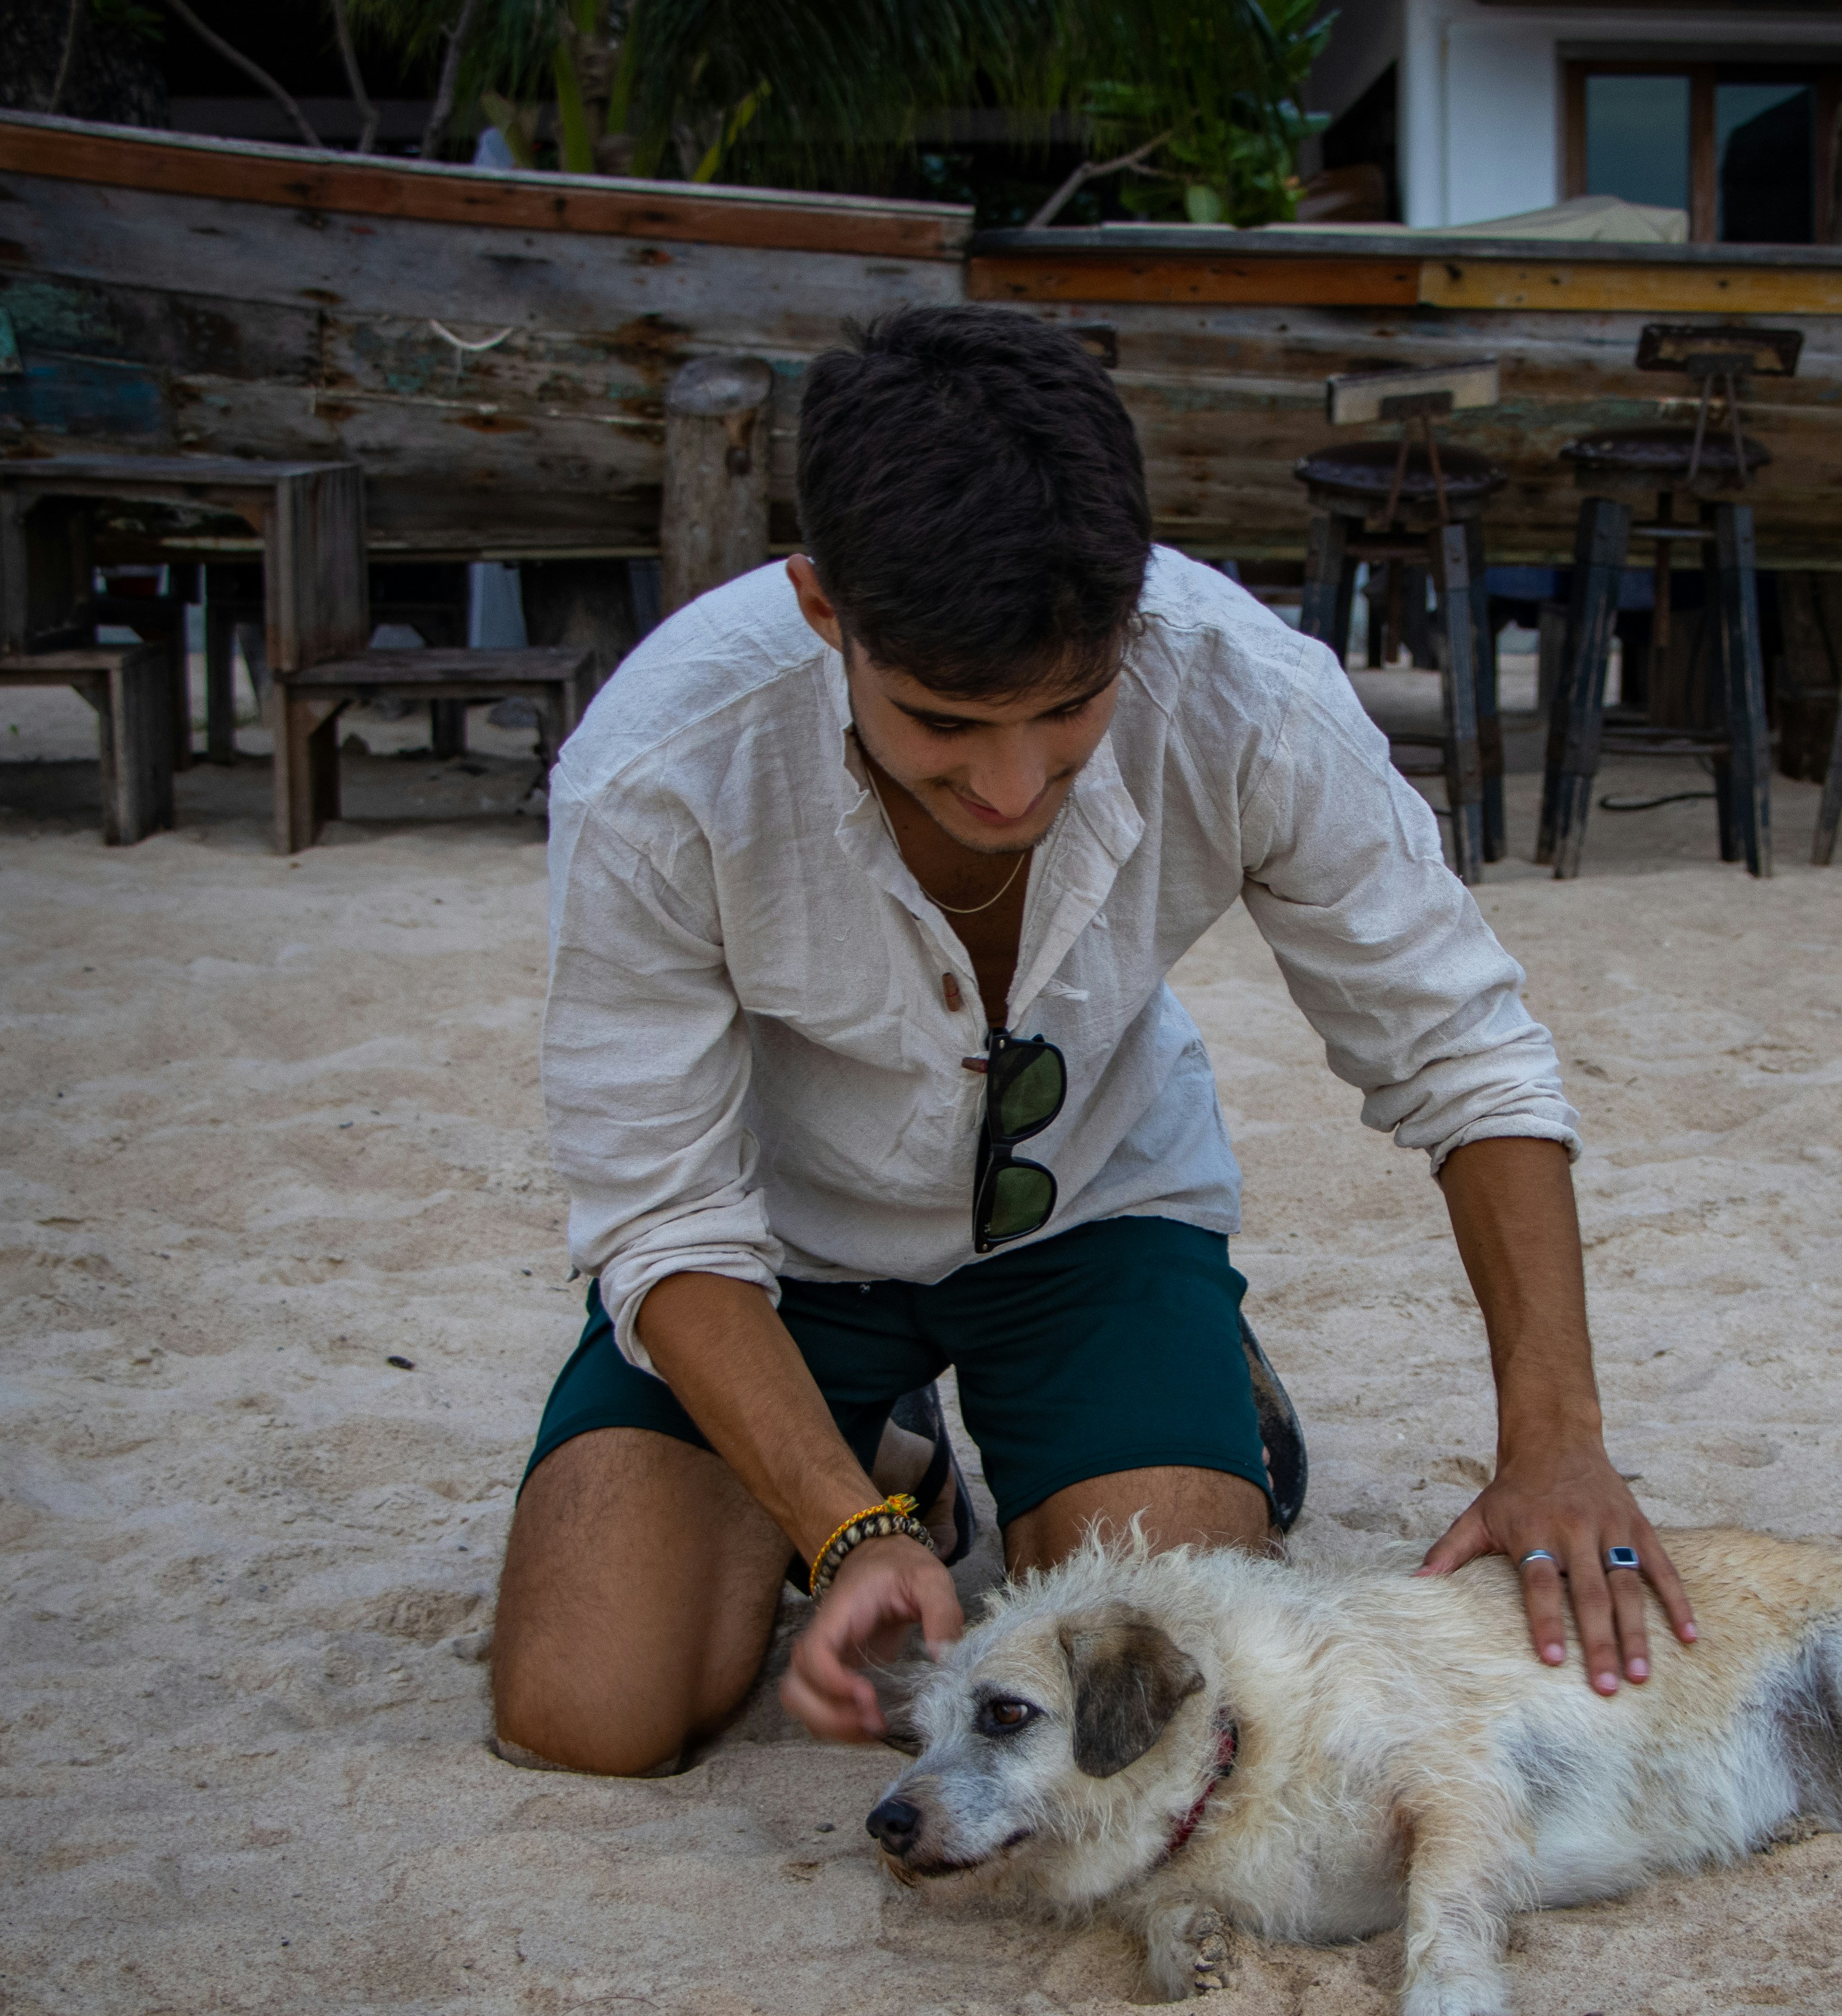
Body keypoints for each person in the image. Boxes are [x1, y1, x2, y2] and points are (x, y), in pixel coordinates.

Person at [491, 305, 1695, 1778]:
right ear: (824, 612)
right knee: (588, 1710)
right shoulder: (661, 763)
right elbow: (662, 1211)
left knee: (1163, 1687)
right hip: (773, 1254)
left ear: (1132, 609)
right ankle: (893, 1470)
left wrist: (1556, 1439)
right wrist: (844, 1529)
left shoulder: (1244, 689)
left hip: (1093, 1218)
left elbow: (1465, 1053)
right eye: (945, 722)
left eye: (1070, 712)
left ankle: (1176, 1382)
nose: (1011, 784)